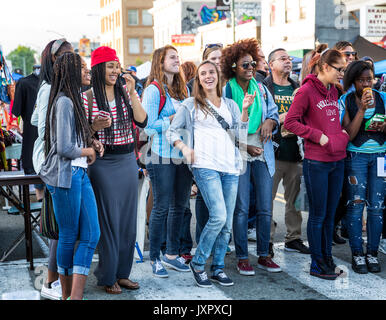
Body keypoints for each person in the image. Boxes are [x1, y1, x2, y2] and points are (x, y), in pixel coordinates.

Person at [166, 60, 249, 287]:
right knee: (219, 216)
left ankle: (218, 268)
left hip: (230, 167)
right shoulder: (190, 104)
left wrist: (243, 112)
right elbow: (171, 132)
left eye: (211, 72)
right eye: (203, 74)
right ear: (199, 79)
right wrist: (184, 149)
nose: (208, 76)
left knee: (226, 224)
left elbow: (240, 136)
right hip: (205, 166)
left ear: (218, 76)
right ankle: (199, 262)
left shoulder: (230, 105)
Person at [82, 46, 147, 294]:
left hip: (127, 161)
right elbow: (81, 136)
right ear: (99, 68)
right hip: (102, 164)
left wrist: (132, 93)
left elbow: (143, 120)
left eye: (117, 65)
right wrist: (94, 126)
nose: (115, 70)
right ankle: (107, 276)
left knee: (128, 221)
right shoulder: (86, 97)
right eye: (110, 65)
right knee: (109, 221)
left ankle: (123, 274)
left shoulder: (124, 93)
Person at [39, 52, 101, 300]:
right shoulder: (64, 101)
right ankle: (67, 296)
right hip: (66, 175)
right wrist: (87, 150)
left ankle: (75, 296)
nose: (87, 71)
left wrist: (93, 144)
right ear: (72, 72)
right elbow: (64, 147)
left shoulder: (72, 100)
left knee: (91, 234)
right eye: (83, 68)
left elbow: (73, 140)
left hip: (79, 173)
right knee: (68, 234)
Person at [284, 49, 349, 280]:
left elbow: (334, 120)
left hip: (337, 160)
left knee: (330, 215)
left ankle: (327, 259)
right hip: (317, 161)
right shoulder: (306, 91)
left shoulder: (334, 91)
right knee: (319, 215)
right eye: (339, 69)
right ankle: (317, 264)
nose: (342, 73)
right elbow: (290, 122)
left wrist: (339, 134)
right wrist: (318, 136)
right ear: (324, 67)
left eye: (343, 69)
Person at [221, 38, 281, 276]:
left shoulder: (262, 88)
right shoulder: (226, 90)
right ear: (233, 66)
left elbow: (275, 113)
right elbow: (222, 126)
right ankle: (243, 257)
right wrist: (244, 146)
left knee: (266, 207)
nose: (250, 68)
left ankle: (265, 255)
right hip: (238, 152)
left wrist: (270, 121)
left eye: (253, 64)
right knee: (242, 208)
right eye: (245, 65)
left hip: (263, 152)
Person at [142, 45, 192, 278]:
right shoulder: (153, 91)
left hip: (182, 155)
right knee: (161, 206)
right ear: (160, 61)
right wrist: (170, 119)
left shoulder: (183, 90)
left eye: (177, 57)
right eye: (172, 57)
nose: (176, 60)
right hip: (161, 155)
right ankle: (154, 257)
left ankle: (171, 255)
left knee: (179, 207)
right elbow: (148, 127)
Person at [31, 39, 74, 300]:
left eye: (72, 55)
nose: (70, 60)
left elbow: (34, 119)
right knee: (60, 226)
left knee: (62, 225)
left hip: (57, 161)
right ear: (53, 59)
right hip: (53, 162)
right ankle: (50, 282)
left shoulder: (53, 87)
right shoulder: (49, 89)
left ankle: (55, 281)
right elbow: (45, 129)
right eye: (64, 55)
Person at [339, 60, 385, 274]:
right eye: (362, 80)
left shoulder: (383, 98)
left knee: (376, 207)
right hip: (356, 156)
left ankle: (372, 252)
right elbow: (348, 134)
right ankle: (357, 253)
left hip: (380, 156)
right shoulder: (345, 100)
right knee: (356, 204)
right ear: (353, 81)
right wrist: (362, 110)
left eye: (370, 79)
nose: (367, 84)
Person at [264, 48, 310, 255]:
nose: (288, 61)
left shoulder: (297, 88)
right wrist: (282, 118)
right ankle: (268, 240)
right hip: (272, 153)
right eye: (282, 59)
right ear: (271, 64)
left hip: (295, 152)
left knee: (294, 201)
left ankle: (294, 238)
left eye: (289, 59)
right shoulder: (263, 87)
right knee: (267, 201)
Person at [12, 65, 40, 175]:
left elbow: (16, 111)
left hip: (33, 143)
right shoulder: (23, 83)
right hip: (41, 143)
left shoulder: (23, 83)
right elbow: (16, 111)